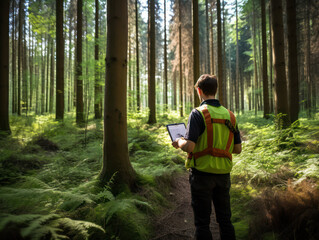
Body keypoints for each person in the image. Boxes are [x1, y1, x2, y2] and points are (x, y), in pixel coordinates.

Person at [172, 74, 242, 240]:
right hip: (223, 175)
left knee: (202, 223)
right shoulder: (230, 116)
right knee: (225, 220)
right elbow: (237, 149)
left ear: (199, 91)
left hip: (201, 175)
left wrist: (179, 141)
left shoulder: (197, 114)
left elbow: (189, 146)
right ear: (216, 91)